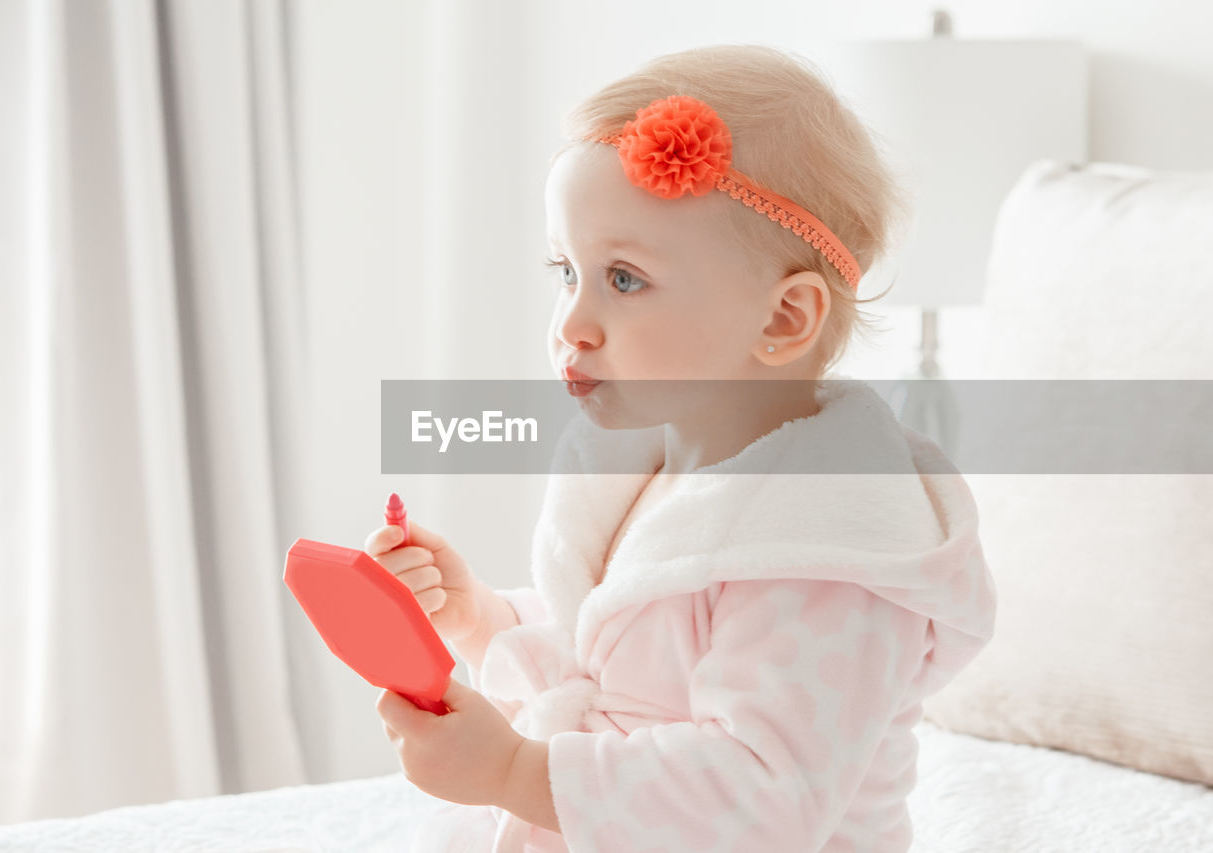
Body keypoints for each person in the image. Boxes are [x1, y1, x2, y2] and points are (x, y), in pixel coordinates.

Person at [369, 43, 997, 852]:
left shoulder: (826, 551)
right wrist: (479, 616)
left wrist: (516, 773)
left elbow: (762, 795)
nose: (570, 323)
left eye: (624, 278)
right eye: (568, 271)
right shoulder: (651, 471)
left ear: (782, 320)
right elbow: (610, 657)